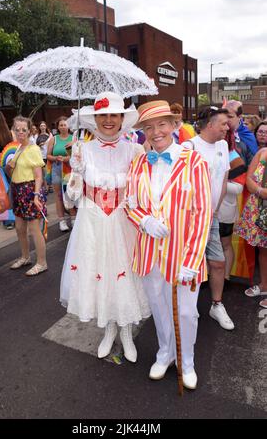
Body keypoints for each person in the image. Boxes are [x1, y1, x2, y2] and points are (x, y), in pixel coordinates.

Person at [126, 100, 211, 389]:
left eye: (162, 124)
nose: (156, 131)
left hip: (184, 255)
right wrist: (144, 220)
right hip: (149, 253)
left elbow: (202, 213)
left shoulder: (194, 161)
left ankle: (187, 361)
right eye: (149, 127)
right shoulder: (139, 162)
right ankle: (165, 353)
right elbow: (130, 204)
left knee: (187, 312)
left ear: (175, 126)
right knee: (159, 308)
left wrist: (192, 259)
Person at [60, 92, 150, 363]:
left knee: (124, 276)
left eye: (114, 115)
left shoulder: (135, 150)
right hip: (92, 222)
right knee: (99, 273)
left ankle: (125, 332)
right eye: (103, 115)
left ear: (122, 119)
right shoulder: (81, 149)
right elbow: (70, 199)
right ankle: (109, 329)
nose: (108, 120)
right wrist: (73, 179)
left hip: (125, 224)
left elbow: (143, 191)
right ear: (95, 119)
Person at [182, 106, 235, 331]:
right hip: (189, 218)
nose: (227, 127)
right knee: (189, 264)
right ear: (210, 125)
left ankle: (216, 305)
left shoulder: (223, 146)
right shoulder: (188, 147)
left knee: (217, 262)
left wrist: (215, 208)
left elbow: (223, 179)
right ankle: (188, 307)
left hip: (212, 217)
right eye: (223, 123)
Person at [6, 116, 47, 276]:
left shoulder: (33, 149)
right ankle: (25, 257)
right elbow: (12, 172)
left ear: (29, 131)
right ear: (13, 130)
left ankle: (42, 262)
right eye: (17, 129)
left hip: (30, 190)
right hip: (17, 189)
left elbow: (38, 176)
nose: (20, 132)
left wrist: (36, 195)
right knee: (19, 228)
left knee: (34, 229)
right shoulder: (18, 148)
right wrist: (10, 168)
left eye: (24, 130)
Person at [235, 147, 267, 309]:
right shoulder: (262, 152)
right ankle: (264, 286)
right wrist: (261, 191)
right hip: (259, 209)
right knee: (263, 249)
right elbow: (248, 179)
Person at [218, 129, 247, 285]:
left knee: (225, 244)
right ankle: (209, 276)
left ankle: (226, 277)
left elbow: (238, 188)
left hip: (225, 211)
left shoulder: (235, 158)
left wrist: (217, 182)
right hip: (206, 210)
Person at [0, 111, 16, 230]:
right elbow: (16, 146)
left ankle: (8, 219)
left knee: (3, 192)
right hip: (10, 163)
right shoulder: (10, 132)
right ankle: (16, 215)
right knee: (13, 189)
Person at [47, 116, 73, 232]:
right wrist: (55, 158)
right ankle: (62, 221)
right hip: (57, 168)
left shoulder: (73, 138)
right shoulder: (54, 139)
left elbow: (78, 155)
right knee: (58, 196)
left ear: (69, 126)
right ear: (58, 127)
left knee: (70, 194)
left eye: (65, 124)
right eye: (61, 125)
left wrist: (68, 158)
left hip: (70, 169)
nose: (63, 127)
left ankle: (73, 218)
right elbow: (47, 155)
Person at [226, 100, 258, 166]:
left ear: (240, 117)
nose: (226, 119)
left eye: (230, 117)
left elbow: (254, 164)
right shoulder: (219, 133)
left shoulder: (247, 136)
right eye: (225, 116)